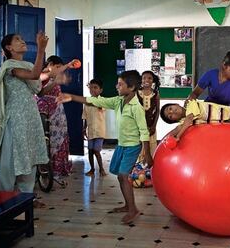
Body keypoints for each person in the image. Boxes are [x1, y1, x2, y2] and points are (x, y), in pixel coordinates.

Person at [57, 70, 153, 224]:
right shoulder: (118, 101)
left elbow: (144, 131)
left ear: (132, 87)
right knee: (120, 177)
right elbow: (94, 101)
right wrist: (72, 97)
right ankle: (128, 205)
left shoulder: (137, 107)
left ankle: (133, 209)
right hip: (121, 145)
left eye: (120, 84)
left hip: (132, 147)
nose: (117, 86)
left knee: (123, 176)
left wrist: (147, 153)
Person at [0, 32, 49, 196]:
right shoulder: (9, 66)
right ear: (9, 47)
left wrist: (54, 81)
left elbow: (39, 90)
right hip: (15, 118)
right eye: (18, 39)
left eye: (22, 38)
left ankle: (27, 199)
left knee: (30, 156)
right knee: (10, 160)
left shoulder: (28, 64)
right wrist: (41, 50)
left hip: (30, 116)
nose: (22, 41)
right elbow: (35, 75)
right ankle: (4, 200)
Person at [36, 55, 73, 183]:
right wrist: (56, 81)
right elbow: (41, 92)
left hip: (58, 111)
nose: (59, 70)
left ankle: (58, 168)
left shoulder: (54, 75)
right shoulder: (42, 75)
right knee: (48, 140)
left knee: (61, 138)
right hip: (45, 110)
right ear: (50, 64)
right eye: (57, 67)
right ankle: (46, 170)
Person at [82, 79, 107, 177]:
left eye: (95, 87)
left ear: (101, 90)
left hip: (100, 131)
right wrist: (84, 129)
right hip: (91, 131)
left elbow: (101, 107)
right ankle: (92, 169)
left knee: (96, 150)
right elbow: (85, 117)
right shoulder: (86, 102)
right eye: (91, 87)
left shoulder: (102, 101)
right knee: (90, 151)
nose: (92, 89)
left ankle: (101, 169)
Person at [136, 70, 161, 161]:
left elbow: (158, 110)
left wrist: (154, 125)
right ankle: (138, 169)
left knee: (151, 147)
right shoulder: (137, 93)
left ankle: (148, 170)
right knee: (139, 148)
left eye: (149, 78)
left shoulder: (156, 94)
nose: (146, 80)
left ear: (153, 80)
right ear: (141, 80)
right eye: (144, 78)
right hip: (138, 126)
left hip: (151, 126)